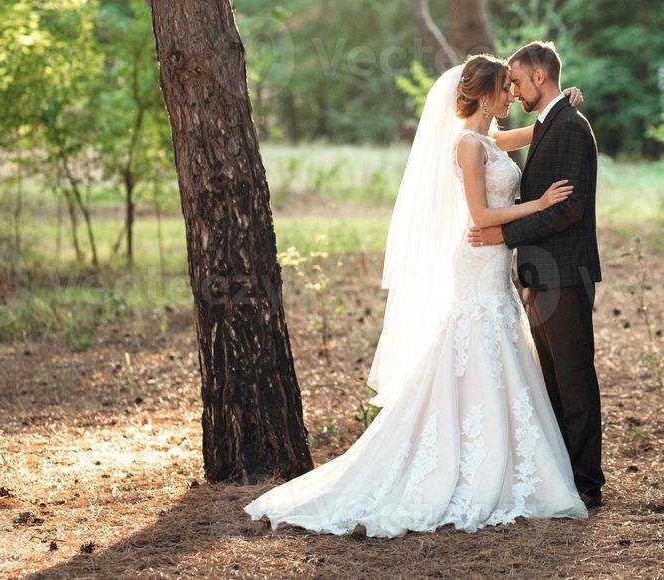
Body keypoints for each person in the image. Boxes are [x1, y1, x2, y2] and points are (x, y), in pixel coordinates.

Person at [244, 55, 589, 537]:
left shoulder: (488, 139)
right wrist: (539, 203)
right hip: (479, 256)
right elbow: (480, 218)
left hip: (495, 266)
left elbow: (537, 132)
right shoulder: (468, 145)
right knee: (473, 348)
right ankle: (458, 458)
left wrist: (562, 101)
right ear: (487, 95)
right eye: (505, 88)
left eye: (514, 86)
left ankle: (503, 457)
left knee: (498, 351)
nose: (512, 94)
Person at [468, 40, 604, 509]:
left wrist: (505, 237)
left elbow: (568, 209)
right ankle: (565, 474)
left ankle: (587, 481)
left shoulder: (569, 128)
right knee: (552, 380)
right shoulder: (551, 123)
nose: (515, 89)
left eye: (519, 81)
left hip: (565, 272)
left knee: (573, 378)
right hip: (539, 273)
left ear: (540, 77)